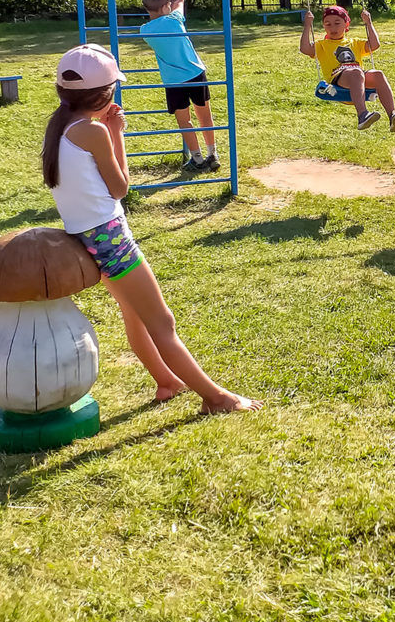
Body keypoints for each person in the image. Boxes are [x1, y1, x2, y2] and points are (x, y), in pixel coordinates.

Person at [43, 44, 260, 413]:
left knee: (134, 314)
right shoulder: (93, 131)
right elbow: (121, 187)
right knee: (162, 323)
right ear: (107, 93)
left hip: (84, 237)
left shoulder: (59, 124)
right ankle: (215, 398)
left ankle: (166, 381)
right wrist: (116, 132)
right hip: (109, 237)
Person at [140, 0, 219, 174]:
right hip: (195, 73)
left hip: (174, 81)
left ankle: (198, 159)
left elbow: (172, 4)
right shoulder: (175, 19)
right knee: (205, 116)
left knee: (185, 121)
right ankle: (213, 154)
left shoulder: (145, 31)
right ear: (167, 6)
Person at [300, 4, 395, 131]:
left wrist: (369, 23)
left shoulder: (354, 42)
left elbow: (374, 45)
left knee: (378, 74)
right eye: (328, 24)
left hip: (358, 78)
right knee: (356, 72)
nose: (333, 27)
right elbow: (305, 48)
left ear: (346, 24)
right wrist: (307, 25)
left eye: (337, 23)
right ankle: (362, 115)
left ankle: (393, 116)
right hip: (338, 80)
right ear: (323, 26)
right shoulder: (322, 45)